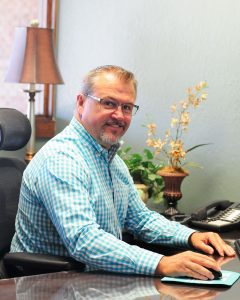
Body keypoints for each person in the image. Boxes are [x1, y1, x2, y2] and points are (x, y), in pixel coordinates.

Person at [11, 65, 235, 280]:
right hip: (50, 284)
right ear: (81, 103)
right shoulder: (62, 159)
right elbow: (84, 240)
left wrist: (191, 236)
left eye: (127, 107)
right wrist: (162, 264)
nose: (119, 115)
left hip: (95, 280)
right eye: (108, 103)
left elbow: (140, 219)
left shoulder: (111, 160)